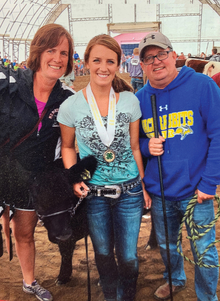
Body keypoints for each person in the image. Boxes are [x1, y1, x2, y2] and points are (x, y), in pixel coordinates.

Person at [57, 34, 151, 301]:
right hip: (95, 194)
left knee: (129, 257)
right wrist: (75, 179)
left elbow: (135, 148)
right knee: (103, 254)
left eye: (110, 61)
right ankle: (111, 296)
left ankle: (127, 296)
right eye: (96, 60)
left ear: (119, 64)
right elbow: (67, 147)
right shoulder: (70, 106)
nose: (103, 67)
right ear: (86, 63)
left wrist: (143, 184)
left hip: (130, 192)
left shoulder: (130, 101)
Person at [136, 31, 220, 301]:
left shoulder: (202, 86)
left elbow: (218, 134)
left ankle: (207, 296)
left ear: (174, 56)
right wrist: (147, 146)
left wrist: (209, 182)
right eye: (148, 58)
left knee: (203, 248)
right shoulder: (139, 99)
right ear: (141, 66)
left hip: (197, 191)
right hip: (160, 191)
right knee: (167, 245)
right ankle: (175, 278)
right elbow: (133, 142)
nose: (156, 62)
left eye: (161, 54)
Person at [1, 23, 74, 301]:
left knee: (24, 232)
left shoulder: (67, 99)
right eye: (51, 50)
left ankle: (29, 282)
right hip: (1, 172)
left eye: (64, 53)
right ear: (38, 52)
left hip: (33, 179)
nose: (57, 58)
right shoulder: (9, 84)